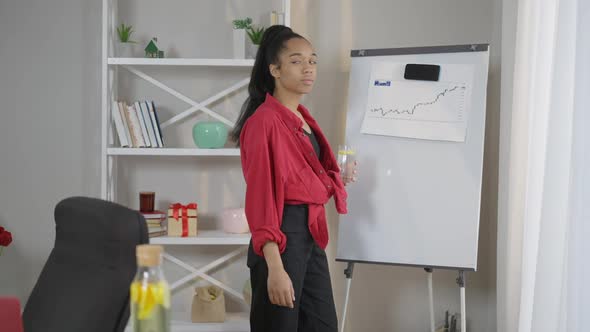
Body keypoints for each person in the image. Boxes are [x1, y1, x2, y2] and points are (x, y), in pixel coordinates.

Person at [231, 25, 356, 332]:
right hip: (281, 237)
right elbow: (261, 198)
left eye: (312, 61)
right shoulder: (264, 123)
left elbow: (298, 181)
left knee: (322, 325)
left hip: (310, 237)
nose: (308, 68)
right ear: (274, 69)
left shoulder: (301, 118)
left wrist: (336, 177)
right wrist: (275, 266)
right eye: (297, 61)